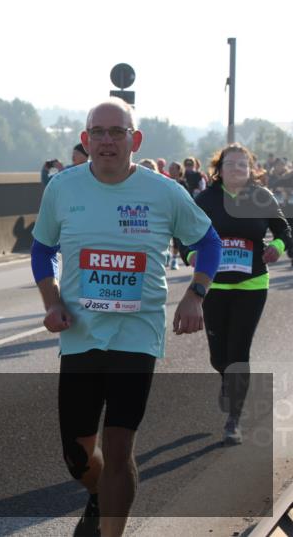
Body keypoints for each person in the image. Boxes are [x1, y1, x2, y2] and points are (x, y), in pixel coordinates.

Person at [30, 98, 221, 537]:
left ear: (135, 140)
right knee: (77, 456)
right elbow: (42, 248)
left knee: (119, 447)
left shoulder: (164, 191)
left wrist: (196, 294)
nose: (107, 140)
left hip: (137, 334)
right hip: (80, 334)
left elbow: (208, 242)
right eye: (98, 131)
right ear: (85, 139)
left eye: (118, 132)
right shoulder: (63, 187)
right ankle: (96, 495)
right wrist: (51, 300)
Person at [180, 144, 292, 444]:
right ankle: (227, 382)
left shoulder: (261, 197)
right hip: (213, 285)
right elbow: (184, 233)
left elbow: (284, 231)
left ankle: (234, 420)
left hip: (252, 284)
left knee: (239, 352)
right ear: (220, 168)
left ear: (251, 168)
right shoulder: (206, 199)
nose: (237, 169)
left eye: (243, 165)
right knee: (219, 355)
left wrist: (277, 247)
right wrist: (191, 255)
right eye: (231, 164)